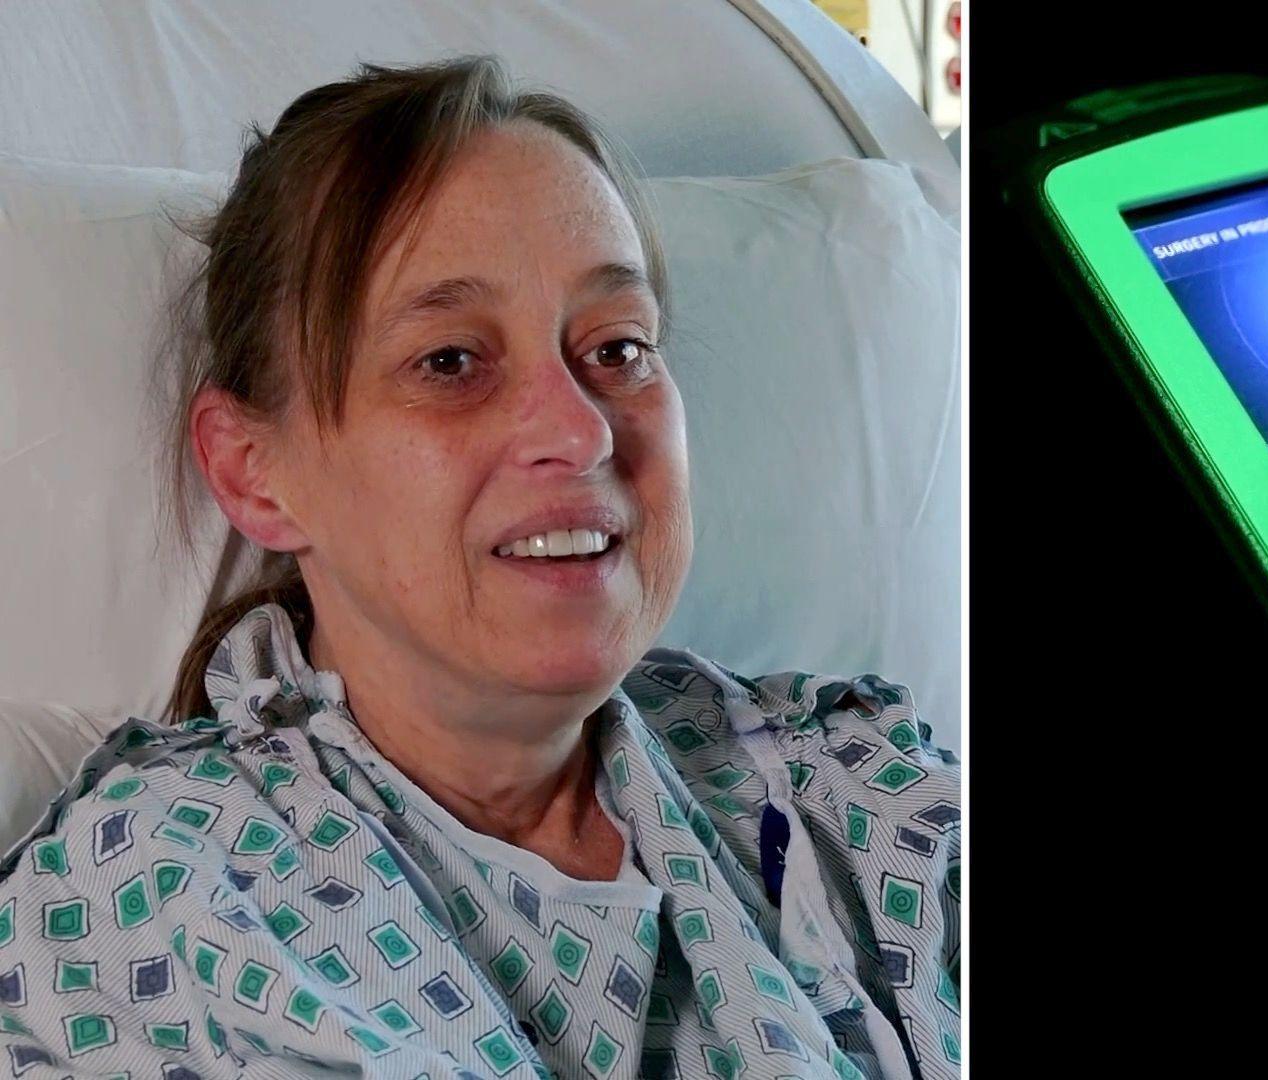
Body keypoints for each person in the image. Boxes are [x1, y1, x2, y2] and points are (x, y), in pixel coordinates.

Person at [0, 55, 959, 1080]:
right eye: (451, 361)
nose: (578, 430)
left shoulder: (845, 789)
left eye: (618, 347)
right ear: (255, 473)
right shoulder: (150, 906)